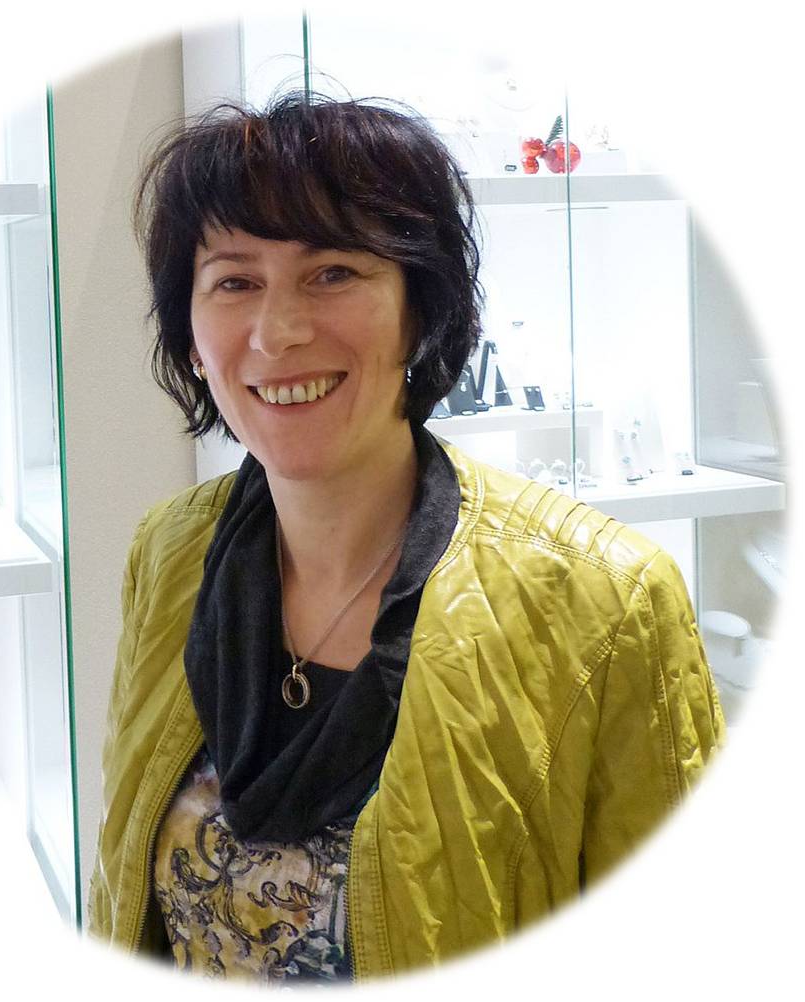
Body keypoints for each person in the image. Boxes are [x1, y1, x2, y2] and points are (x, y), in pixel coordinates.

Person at [88, 92, 725, 984]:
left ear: (419, 310)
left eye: (333, 272)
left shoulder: (606, 602)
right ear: (192, 336)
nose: (278, 331)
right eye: (235, 282)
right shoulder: (171, 554)